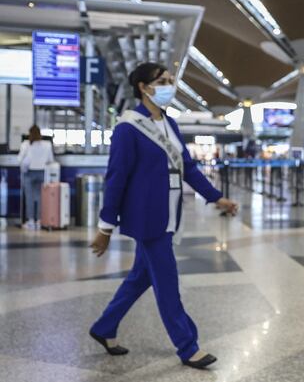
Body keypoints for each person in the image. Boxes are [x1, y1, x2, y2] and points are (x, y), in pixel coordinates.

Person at [88, 63, 239, 369]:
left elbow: (188, 168)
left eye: (171, 80)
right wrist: (105, 227)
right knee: (167, 282)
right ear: (144, 87)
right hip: (147, 219)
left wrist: (216, 197)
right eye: (162, 81)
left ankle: (104, 328)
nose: (170, 85)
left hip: (169, 213)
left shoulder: (169, 124)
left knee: (139, 278)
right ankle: (188, 346)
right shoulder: (128, 128)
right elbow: (116, 178)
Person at [17, 125, 54, 230]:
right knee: (40, 197)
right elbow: (50, 160)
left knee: (29, 197)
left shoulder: (26, 144)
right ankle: (39, 220)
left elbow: (20, 159)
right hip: (42, 173)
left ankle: (31, 221)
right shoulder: (47, 145)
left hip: (29, 173)